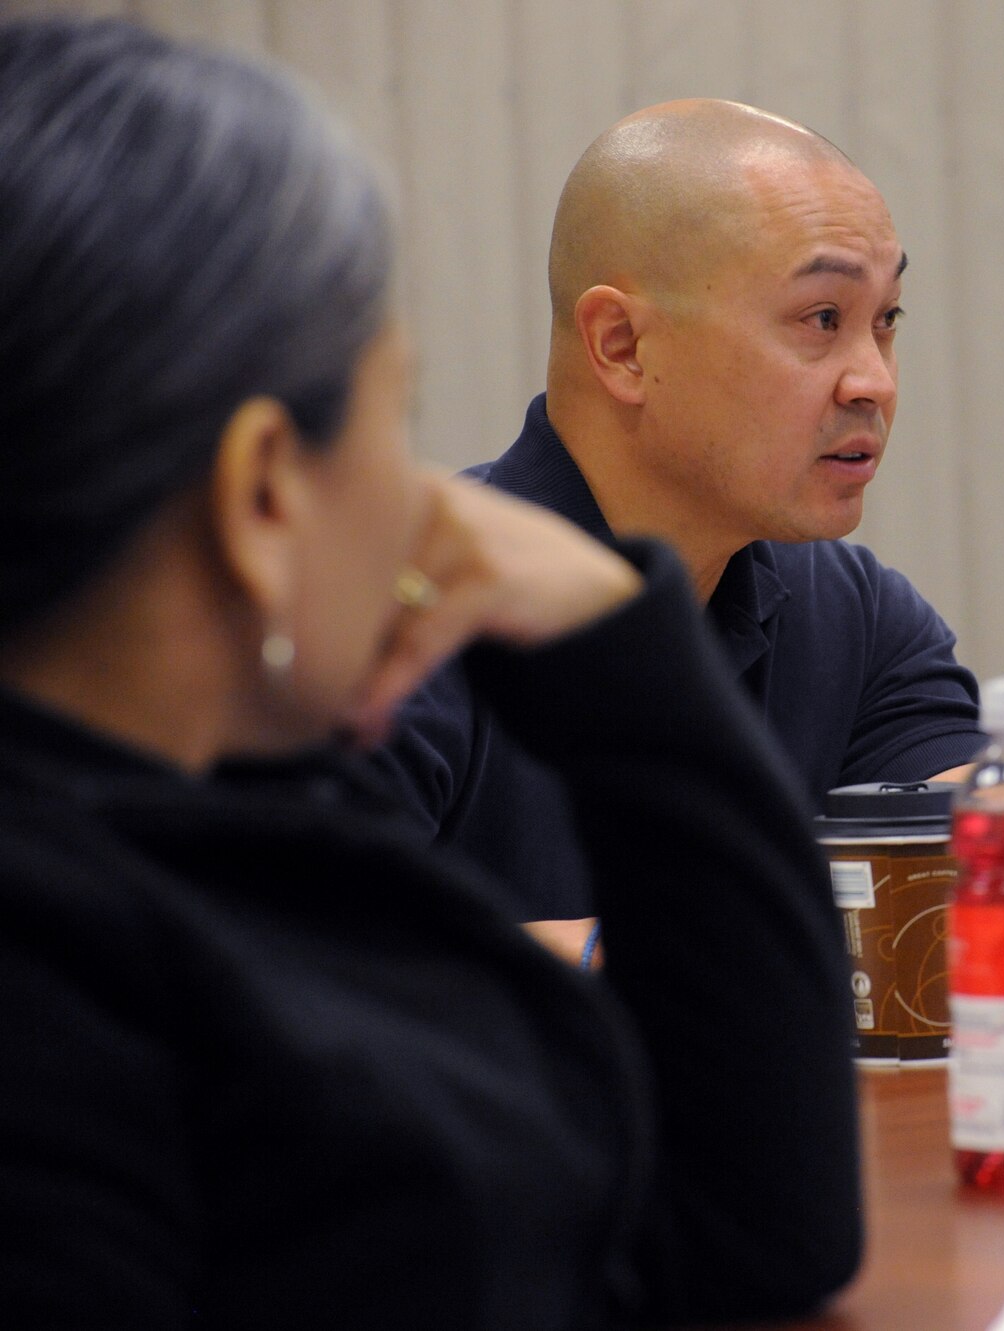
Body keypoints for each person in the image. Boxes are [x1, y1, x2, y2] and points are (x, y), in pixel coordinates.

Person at [0, 17, 860, 1326]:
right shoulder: (85, 987)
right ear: (262, 492)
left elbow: (748, 1233)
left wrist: (621, 650)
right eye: (390, 419)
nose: (420, 501)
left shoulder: (248, 810)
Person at [384, 98, 1004, 928]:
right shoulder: (400, 610)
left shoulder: (848, 612)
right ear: (622, 346)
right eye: (821, 318)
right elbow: (311, 959)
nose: (876, 382)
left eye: (886, 319)